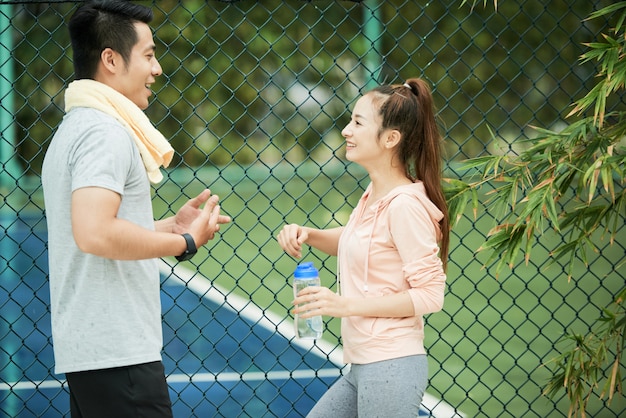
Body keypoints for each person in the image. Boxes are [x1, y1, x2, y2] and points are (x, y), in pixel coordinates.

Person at [41, 1, 230, 417]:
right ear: (111, 59)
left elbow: (93, 227)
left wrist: (166, 227)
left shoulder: (75, 126)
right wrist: (183, 241)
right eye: (148, 55)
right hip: (118, 356)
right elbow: (94, 233)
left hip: (97, 354)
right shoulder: (103, 133)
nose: (157, 69)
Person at [277, 78, 450, 417]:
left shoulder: (404, 205)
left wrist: (345, 305)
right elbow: (359, 242)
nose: (345, 131)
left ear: (390, 138)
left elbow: (431, 295)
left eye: (357, 123)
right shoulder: (375, 194)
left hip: (391, 365)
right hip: (363, 365)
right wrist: (308, 234)